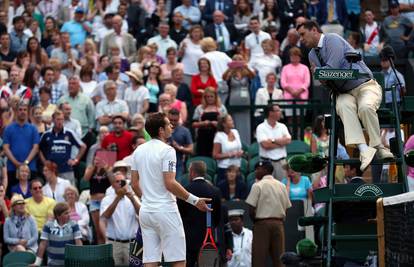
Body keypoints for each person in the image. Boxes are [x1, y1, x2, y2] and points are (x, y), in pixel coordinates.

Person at [297, 20, 394, 171]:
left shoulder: (332, 39)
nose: (301, 39)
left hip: (364, 85)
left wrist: (320, 72)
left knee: (366, 107)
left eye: (303, 34)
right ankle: (363, 149)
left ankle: (378, 147)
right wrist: (322, 74)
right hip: (342, 92)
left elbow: (330, 70)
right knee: (342, 105)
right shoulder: (311, 55)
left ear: (314, 30)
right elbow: (323, 81)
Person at [130, 112, 211, 267]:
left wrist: (147, 199)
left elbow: (134, 184)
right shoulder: (168, 150)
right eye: (168, 124)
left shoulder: (138, 150)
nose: (171, 126)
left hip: (146, 212)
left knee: (150, 260)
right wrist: (195, 201)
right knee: (179, 261)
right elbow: (170, 183)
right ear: (161, 130)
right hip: (165, 211)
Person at [246, 160, 291, 267]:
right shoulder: (282, 185)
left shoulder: (257, 185)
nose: (255, 171)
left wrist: (256, 222)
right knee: (280, 258)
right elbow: (286, 208)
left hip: (262, 224)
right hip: (278, 224)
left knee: (259, 259)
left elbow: (251, 208)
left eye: (258, 169)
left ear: (265, 170)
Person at [177, 161, 222, 267]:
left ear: (192, 172)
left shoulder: (185, 191)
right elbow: (217, 217)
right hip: (207, 240)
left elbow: (180, 214)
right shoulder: (215, 191)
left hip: (188, 240)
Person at [100, 172, 141, 265]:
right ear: (112, 184)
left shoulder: (133, 197)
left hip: (131, 243)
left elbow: (142, 214)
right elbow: (106, 216)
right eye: (116, 181)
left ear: (126, 183)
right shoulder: (107, 199)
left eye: (122, 181)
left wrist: (133, 199)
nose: (119, 183)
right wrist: (117, 198)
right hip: (114, 243)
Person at [39, 110, 86, 185]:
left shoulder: (69, 133)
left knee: (69, 192)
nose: (60, 122)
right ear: (53, 120)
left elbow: (83, 146)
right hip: (51, 170)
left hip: (66, 169)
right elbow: (39, 149)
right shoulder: (46, 134)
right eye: (58, 119)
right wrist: (44, 162)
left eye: (62, 119)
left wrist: (76, 160)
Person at [3, 103, 39, 194]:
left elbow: (36, 147)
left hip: (30, 167)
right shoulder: (9, 128)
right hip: (12, 168)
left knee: (31, 194)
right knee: (13, 195)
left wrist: (25, 163)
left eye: (25, 110)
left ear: (27, 112)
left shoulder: (33, 128)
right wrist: (16, 163)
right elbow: (5, 147)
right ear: (16, 111)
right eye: (20, 110)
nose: (22, 112)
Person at [33, 202, 82, 266]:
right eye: (66, 213)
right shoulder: (48, 225)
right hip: (52, 264)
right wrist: (37, 263)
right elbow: (43, 244)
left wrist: (80, 260)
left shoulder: (74, 224)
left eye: (69, 212)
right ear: (58, 216)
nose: (69, 215)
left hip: (71, 264)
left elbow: (78, 242)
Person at [222, 54, 254, 144]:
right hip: (233, 99)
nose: (237, 61)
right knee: (234, 122)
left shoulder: (246, 73)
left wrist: (246, 67)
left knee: (246, 123)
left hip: (245, 100)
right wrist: (230, 68)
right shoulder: (230, 73)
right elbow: (224, 78)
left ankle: (246, 143)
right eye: (235, 59)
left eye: (239, 59)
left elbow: (253, 76)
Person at [256, 104, 291, 180]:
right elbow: (265, 145)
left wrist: (272, 140)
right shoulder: (261, 127)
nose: (280, 112)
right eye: (278, 110)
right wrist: (281, 143)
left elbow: (288, 140)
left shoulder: (282, 126)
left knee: (281, 187)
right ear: (271, 113)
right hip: (266, 163)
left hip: (281, 163)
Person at [192, 87, 227, 157]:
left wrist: (218, 124)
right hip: (202, 138)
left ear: (215, 97)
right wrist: (203, 123)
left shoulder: (221, 108)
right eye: (207, 97)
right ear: (204, 98)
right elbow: (193, 124)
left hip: (217, 137)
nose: (209, 98)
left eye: (211, 96)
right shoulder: (199, 108)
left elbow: (226, 123)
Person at [212, 115, 244, 184]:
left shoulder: (235, 132)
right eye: (230, 120)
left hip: (237, 168)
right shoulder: (219, 135)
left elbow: (239, 148)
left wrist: (241, 152)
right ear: (224, 124)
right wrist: (231, 154)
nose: (232, 122)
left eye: (232, 120)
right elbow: (215, 155)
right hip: (225, 169)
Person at [167, 109, 193, 180]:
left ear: (179, 119)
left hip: (178, 164)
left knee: (177, 184)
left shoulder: (185, 131)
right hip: (163, 162)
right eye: (170, 120)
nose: (172, 122)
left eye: (175, 120)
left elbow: (191, 149)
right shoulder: (162, 130)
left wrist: (179, 148)